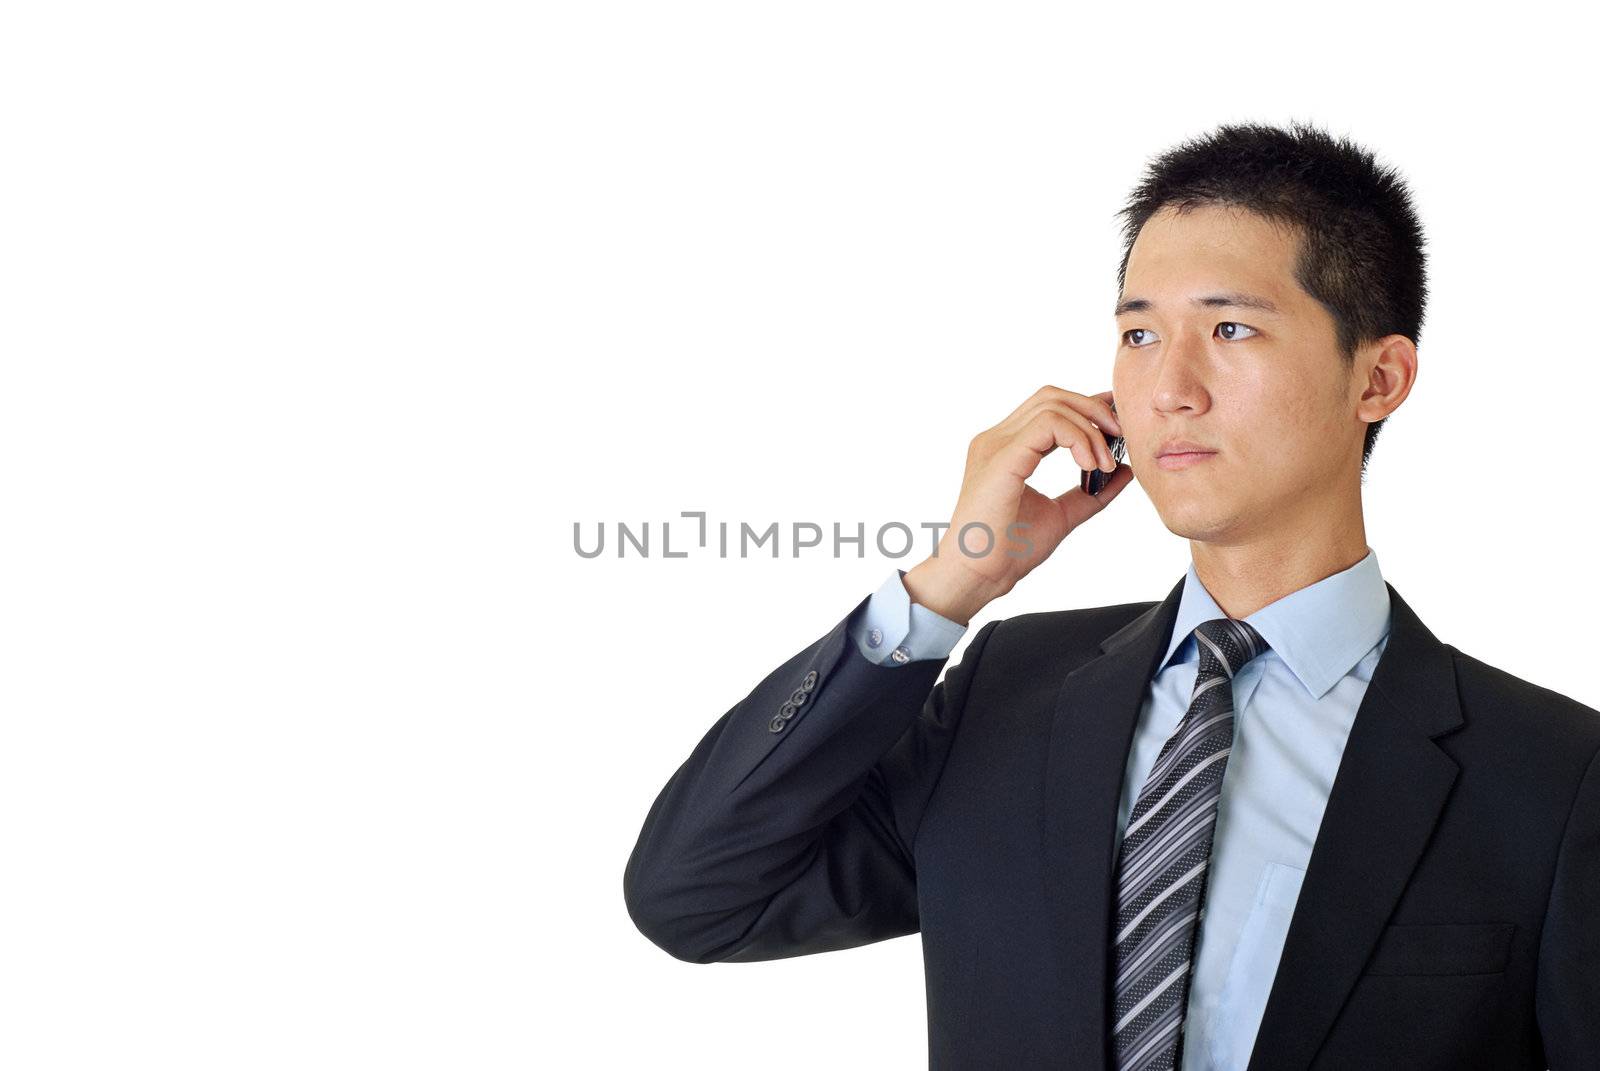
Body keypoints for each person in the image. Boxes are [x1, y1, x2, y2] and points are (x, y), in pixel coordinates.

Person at [621, 120, 1600, 1070]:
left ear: (1377, 379)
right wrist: (953, 581)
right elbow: (699, 898)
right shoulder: (1005, 696)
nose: (1168, 386)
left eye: (1228, 327)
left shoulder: (1553, 777)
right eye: (1137, 335)